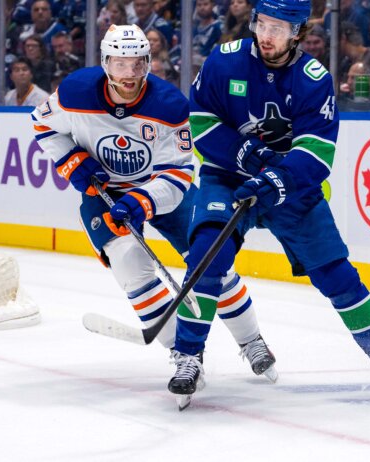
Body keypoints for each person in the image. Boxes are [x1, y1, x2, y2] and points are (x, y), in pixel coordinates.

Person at [174, 0, 370, 403]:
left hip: (289, 187)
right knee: (205, 258)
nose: (267, 36)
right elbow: (200, 122)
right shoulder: (223, 61)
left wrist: (276, 181)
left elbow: (317, 153)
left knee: (335, 273)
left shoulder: (313, 79)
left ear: (298, 32)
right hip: (227, 178)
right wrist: (243, 155)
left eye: (279, 29)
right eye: (263, 24)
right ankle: (188, 357)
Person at [30, 25, 278, 402]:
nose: (129, 73)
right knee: (130, 264)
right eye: (120, 63)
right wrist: (72, 162)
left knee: (212, 262)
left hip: (163, 192)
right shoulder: (76, 91)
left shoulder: (169, 104)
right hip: (105, 193)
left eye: (137, 63)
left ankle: (251, 340)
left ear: (148, 62)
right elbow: (42, 124)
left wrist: (141, 200)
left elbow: (178, 172)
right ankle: (183, 354)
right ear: (105, 63)